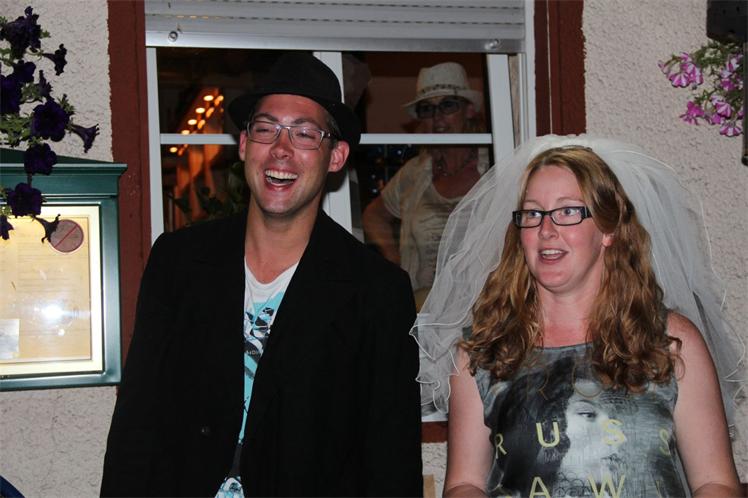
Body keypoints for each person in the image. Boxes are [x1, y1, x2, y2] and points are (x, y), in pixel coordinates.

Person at [101, 53, 423, 497]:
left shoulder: (378, 292)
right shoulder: (178, 262)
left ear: (336, 156)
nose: (281, 150)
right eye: (266, 129)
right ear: (244, 145)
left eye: (305, 134)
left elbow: (390, 463)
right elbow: (135, 427)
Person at [412, 136, 744, 497]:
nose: (546, 229)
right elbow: (465, 483)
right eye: (533, 213)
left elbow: (715, 482)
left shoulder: (672, 342)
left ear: (608, 229)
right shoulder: (482, 352)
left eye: (568, 211)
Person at [362, 62, 489, 308]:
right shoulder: (415, 173)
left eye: (448, 105)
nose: (437, 117)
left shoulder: (493, 166)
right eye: (427, 109)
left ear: (469, 110)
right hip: (423, 308)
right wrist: (394, 262)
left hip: (483, 309)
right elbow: (373, 216)